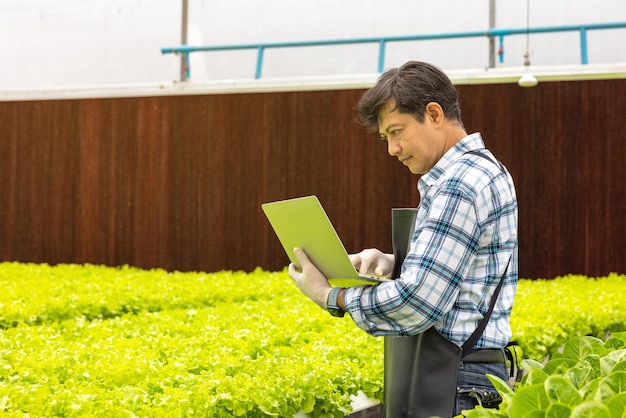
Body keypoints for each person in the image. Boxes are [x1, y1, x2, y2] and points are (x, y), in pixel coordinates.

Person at [288, 61, 518, 417]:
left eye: (396, 132)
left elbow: (418, 303)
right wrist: (394, 261)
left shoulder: (459, 183)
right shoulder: (481, 170)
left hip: (456, 381)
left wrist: (329, 295)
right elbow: (468, 269)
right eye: (385, 137)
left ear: (434, 114)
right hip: (467, 377)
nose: (392, 149)